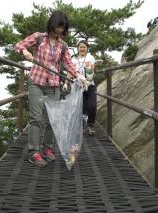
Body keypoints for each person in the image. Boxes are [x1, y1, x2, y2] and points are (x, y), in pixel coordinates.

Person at [14, 10, 88, 167]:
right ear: (51, 25)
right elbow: (18, 45)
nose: (59, 30)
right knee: (36, 118)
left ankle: (48, 148)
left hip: (53, 84)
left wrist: (78, 75)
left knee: (51, 120)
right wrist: (25, 51)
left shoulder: (63, 45)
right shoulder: (39, 37)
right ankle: (33, 152)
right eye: (57, 27)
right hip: (36, 81)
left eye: (62, 28)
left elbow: (68, 63)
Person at [72, 40, 96, 136]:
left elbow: (92, 73)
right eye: (80, 47)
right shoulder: (73, 59)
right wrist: (66, 83)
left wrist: (89, 70)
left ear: (87, 48)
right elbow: (71, 72)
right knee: (79, 107)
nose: (82, 49)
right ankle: (79, 127)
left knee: (91, 106)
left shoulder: (90, 57)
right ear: (77, 48)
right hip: (78, 85)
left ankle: (90, 125)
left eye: (84, 47)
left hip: (89, 85)